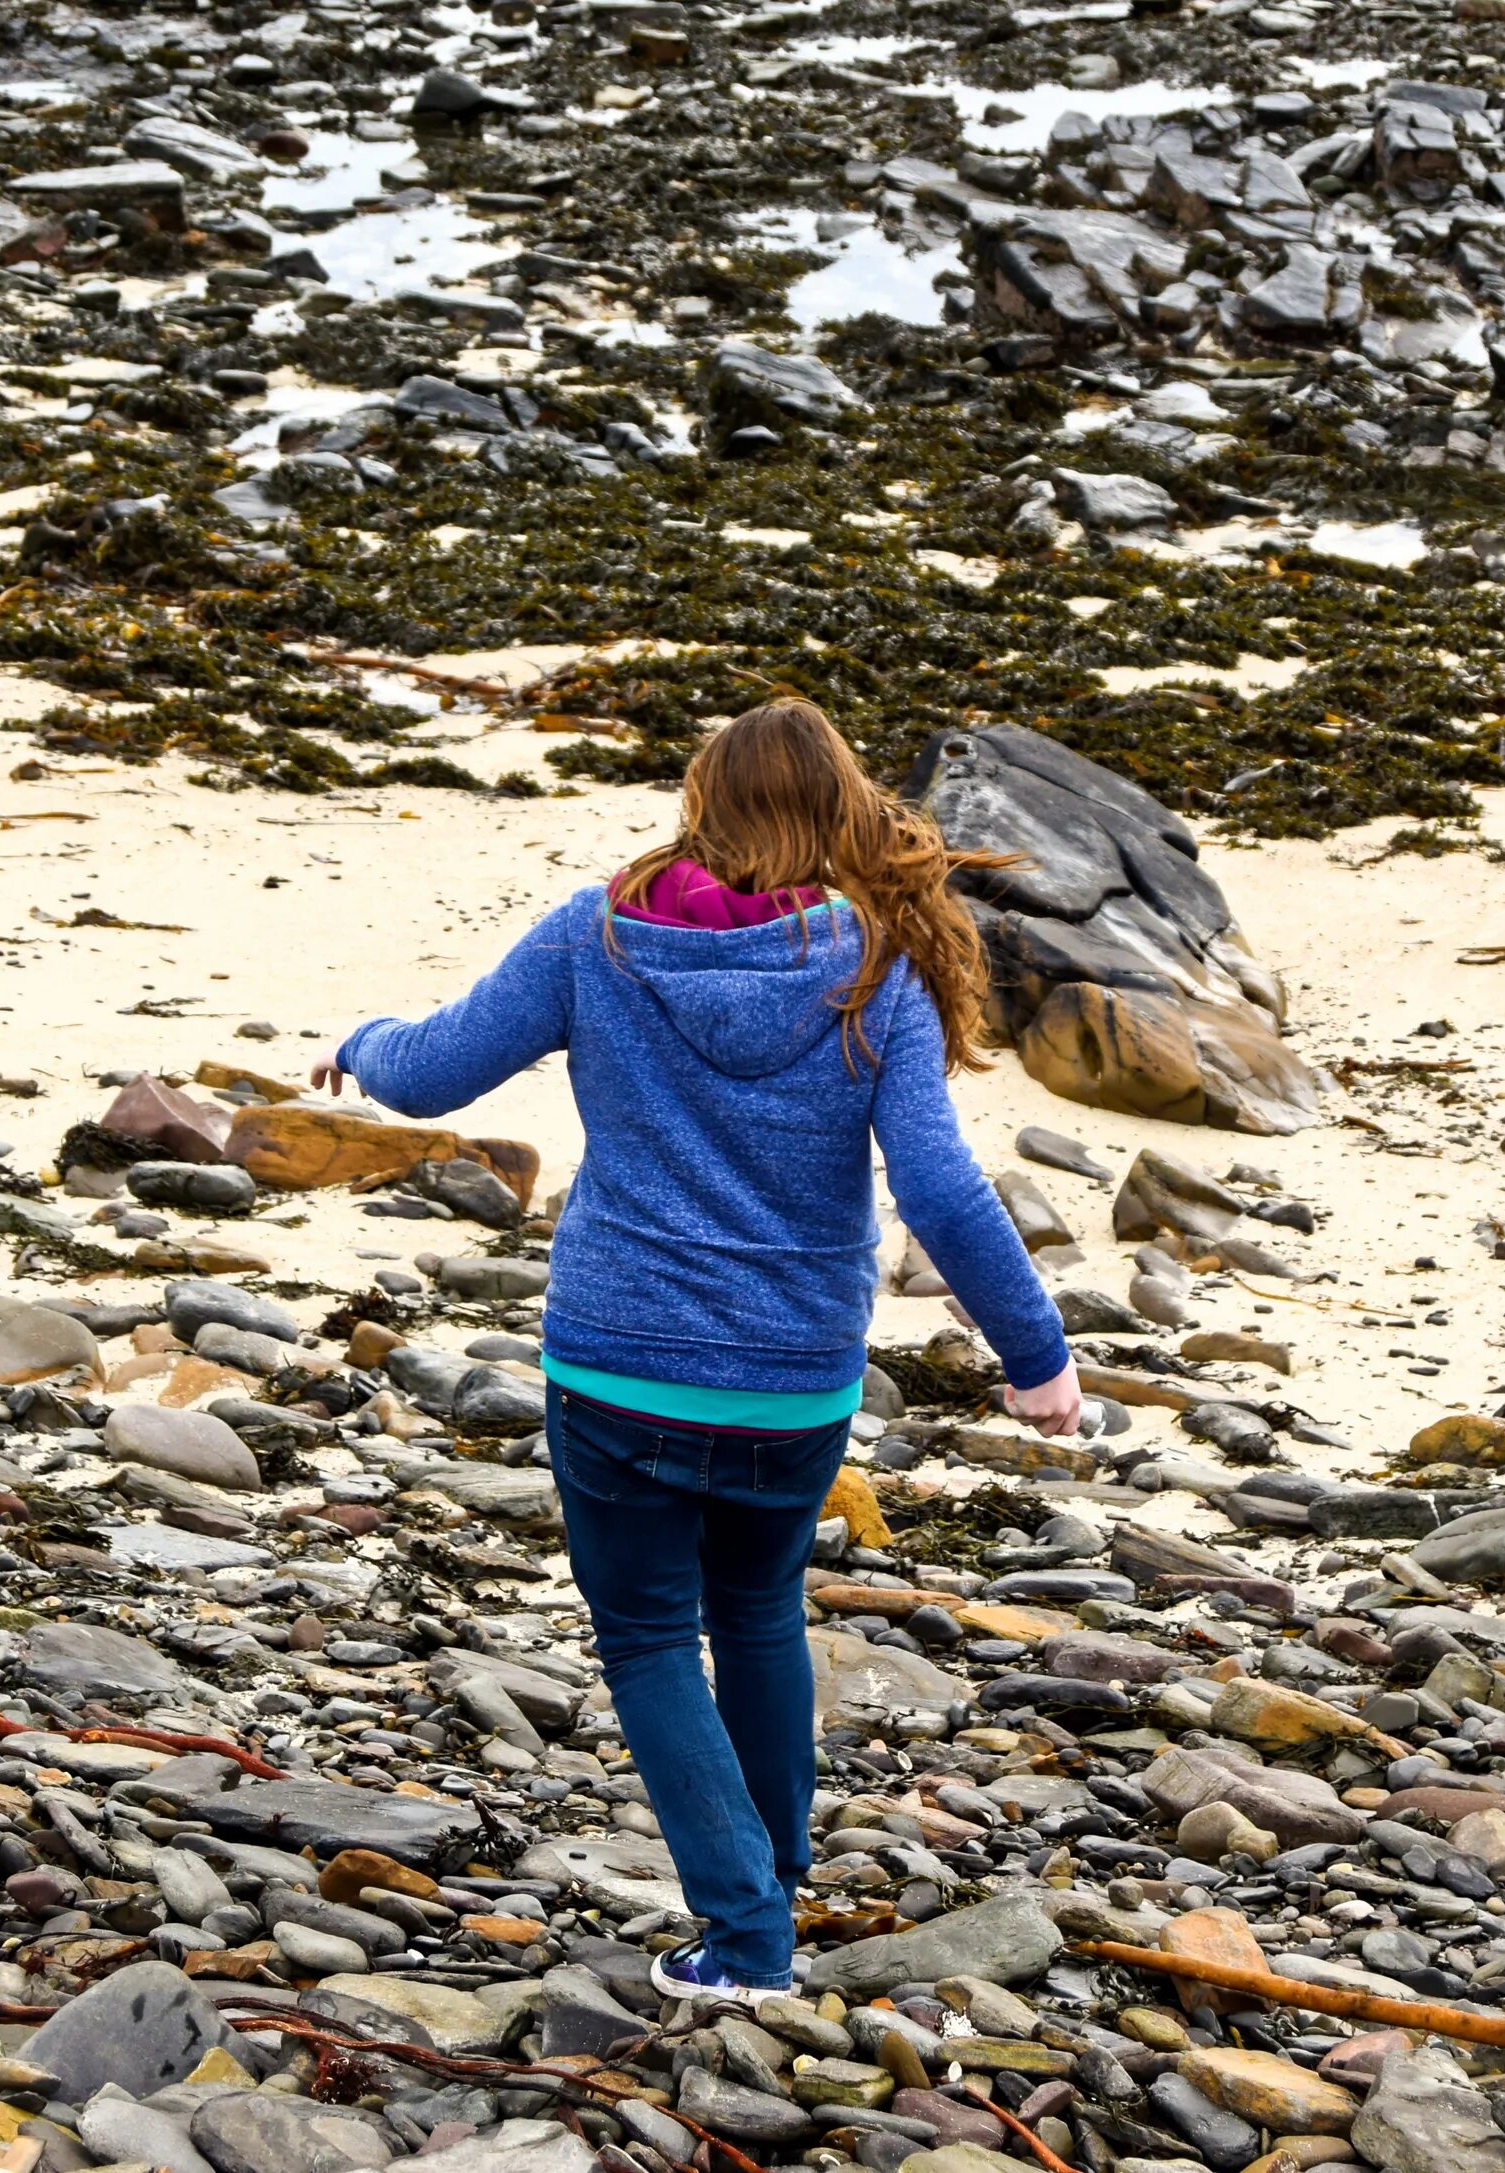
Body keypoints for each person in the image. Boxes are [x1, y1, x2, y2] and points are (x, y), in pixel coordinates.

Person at [313, 698, 1081, 1998]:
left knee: (655, 1638)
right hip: (793, 1381)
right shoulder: (875, 960)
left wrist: (358, 1046)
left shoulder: (601, 932)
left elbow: (437, 1069)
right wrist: (1038, 1358)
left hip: (620, 1364)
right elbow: (940, 1191)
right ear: (841, 813)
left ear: (701, 809)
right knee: (757, 1609)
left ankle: (745, 1935)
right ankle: (765, 1888)